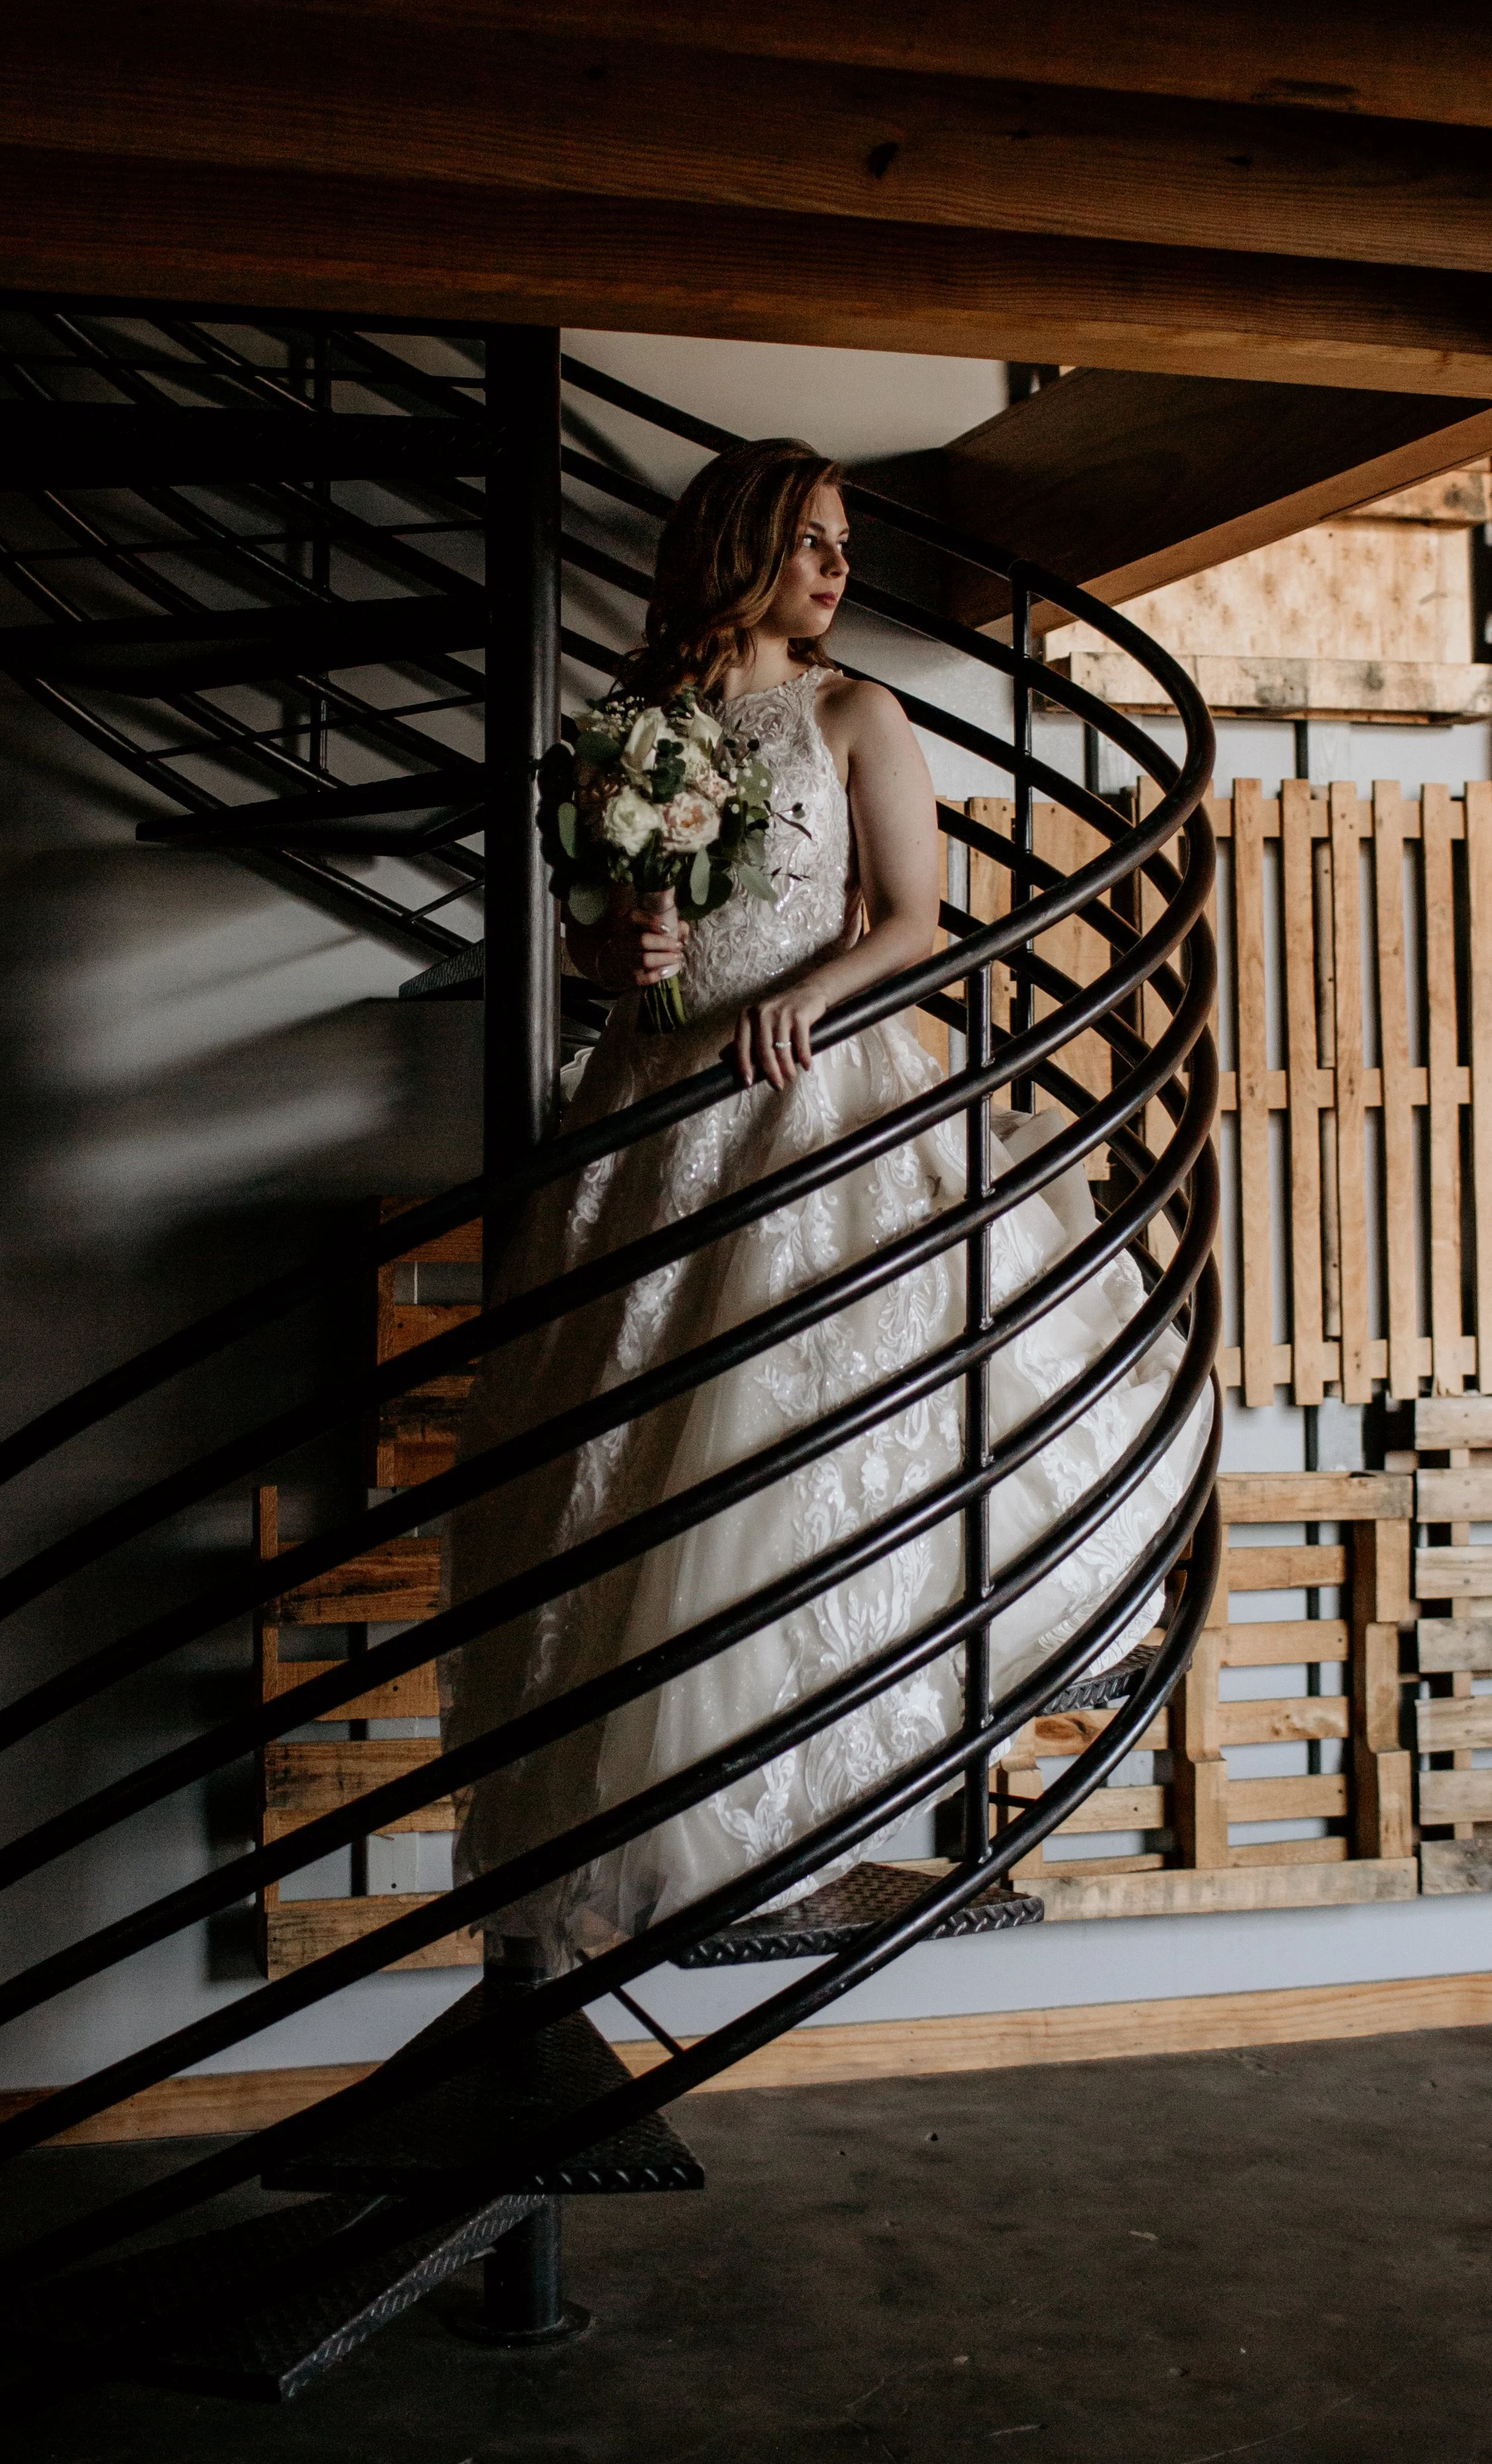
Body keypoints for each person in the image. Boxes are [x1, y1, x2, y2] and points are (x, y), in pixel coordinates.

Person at [440, 438, 1205, 1968]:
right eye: (804, 538)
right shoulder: (624, 736)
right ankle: (650, 1830)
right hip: (653, 1110)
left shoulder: (856, 710)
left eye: (842, 540)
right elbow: (595, 943)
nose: (834, 566)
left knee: (795, 1445)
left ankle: (783, 1814)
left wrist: (811, 997)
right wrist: (623, 958)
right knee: (627, 1459)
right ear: (731, 547)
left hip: (808, 1091)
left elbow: (918, 917)